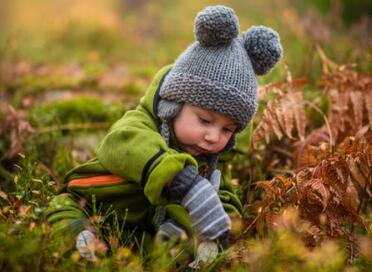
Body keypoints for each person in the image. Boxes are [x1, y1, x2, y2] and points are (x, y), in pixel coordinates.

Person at [46, 5, 282, 266]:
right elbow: (122, 142)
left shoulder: (211, 161)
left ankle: (172, 252)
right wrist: (182, 179)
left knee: (186, 237)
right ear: (173, 105)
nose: (213, 137)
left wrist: (221, 225)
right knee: (63, 208)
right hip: (92, 202)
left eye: (227, 129)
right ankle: (81, 240)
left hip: (141, 232)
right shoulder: (140, 124)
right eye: (204, 120)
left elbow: (223, 194)